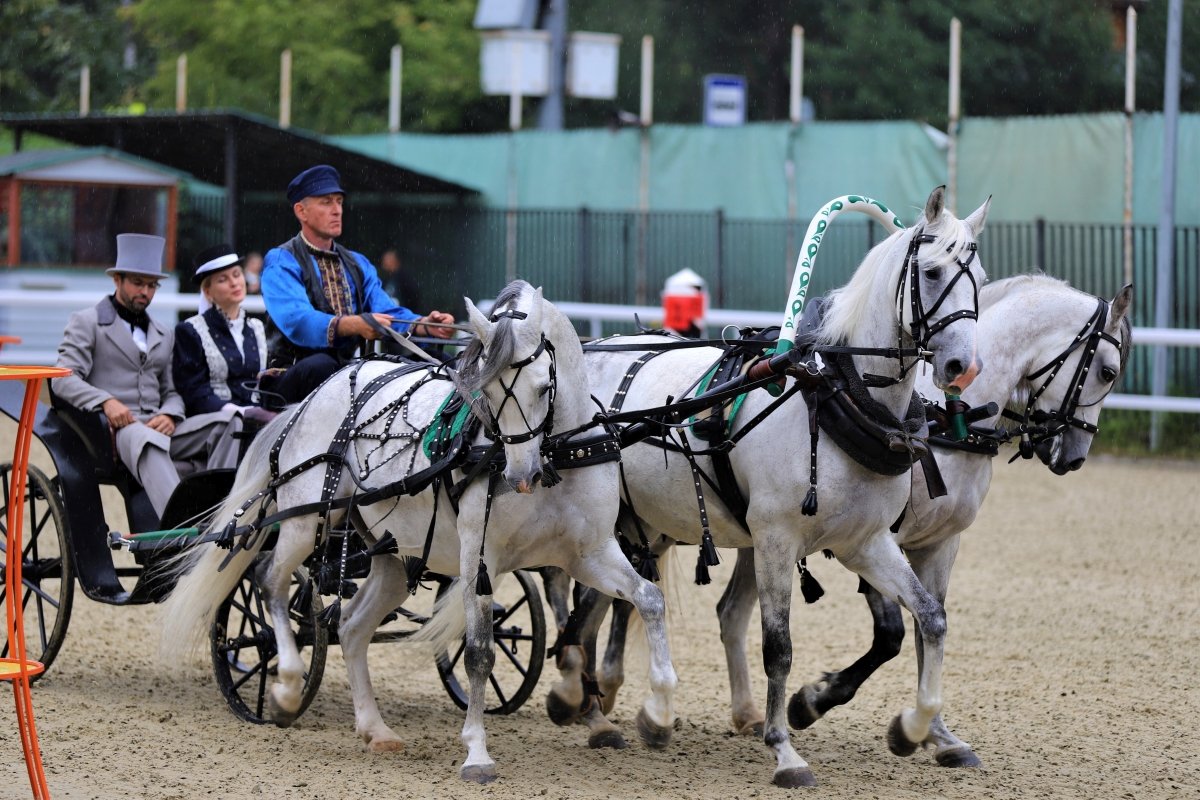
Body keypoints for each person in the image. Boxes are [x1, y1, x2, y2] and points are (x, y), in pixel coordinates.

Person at [51, 233, 242, 520]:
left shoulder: (163, 333)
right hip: (115, 434)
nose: (146, 292)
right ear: (118, 280)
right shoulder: (87, 322)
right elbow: (62, 379)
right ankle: (182, 527)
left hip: (159, 425)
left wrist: (170, 414)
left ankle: (218, 514)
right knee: (146, 441)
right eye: (138, 283)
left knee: (230, 422)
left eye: (152, 285)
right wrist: (106, 401)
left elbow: (173, 391)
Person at [261, 164, 455, 403]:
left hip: (345, 373)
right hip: (289, 377)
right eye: (326, 202)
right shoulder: (281, 261)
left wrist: (425, 326)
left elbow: (386, 312)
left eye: (339, 202)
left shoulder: (357, 263)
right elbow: (297, 321)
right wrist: (353, 324)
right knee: (324, 366)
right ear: (301, 211)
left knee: (436, 362)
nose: (337, 210)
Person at [173, 243, 276, 424]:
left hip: (256, 418)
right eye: (223, 279)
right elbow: (194, 392)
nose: (234, 282)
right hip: (212, 422)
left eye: (237, 275)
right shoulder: (190, 331)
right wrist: (239, 412)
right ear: (207, 291)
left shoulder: (256, 327)